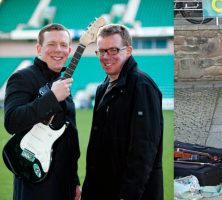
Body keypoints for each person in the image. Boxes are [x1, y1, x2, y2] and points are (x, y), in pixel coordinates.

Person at [82, 24, 163, 200]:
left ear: (128, 51)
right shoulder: (103, 88)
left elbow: (145, 148)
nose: (105, 57)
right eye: (101, 51)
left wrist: (127, 195)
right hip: (103, 188)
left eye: (113, 50)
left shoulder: (142, 86)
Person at [4, 24, 81, 200]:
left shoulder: (63, 82)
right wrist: (52, 97)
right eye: (52, 44)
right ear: (39, 48)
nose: (58, 50)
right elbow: (12, 121)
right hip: (35, 182)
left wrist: (74, 179)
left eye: (63, 45)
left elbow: (70, 136)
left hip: (64, 184)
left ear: (69, 50)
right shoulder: (22, 77)